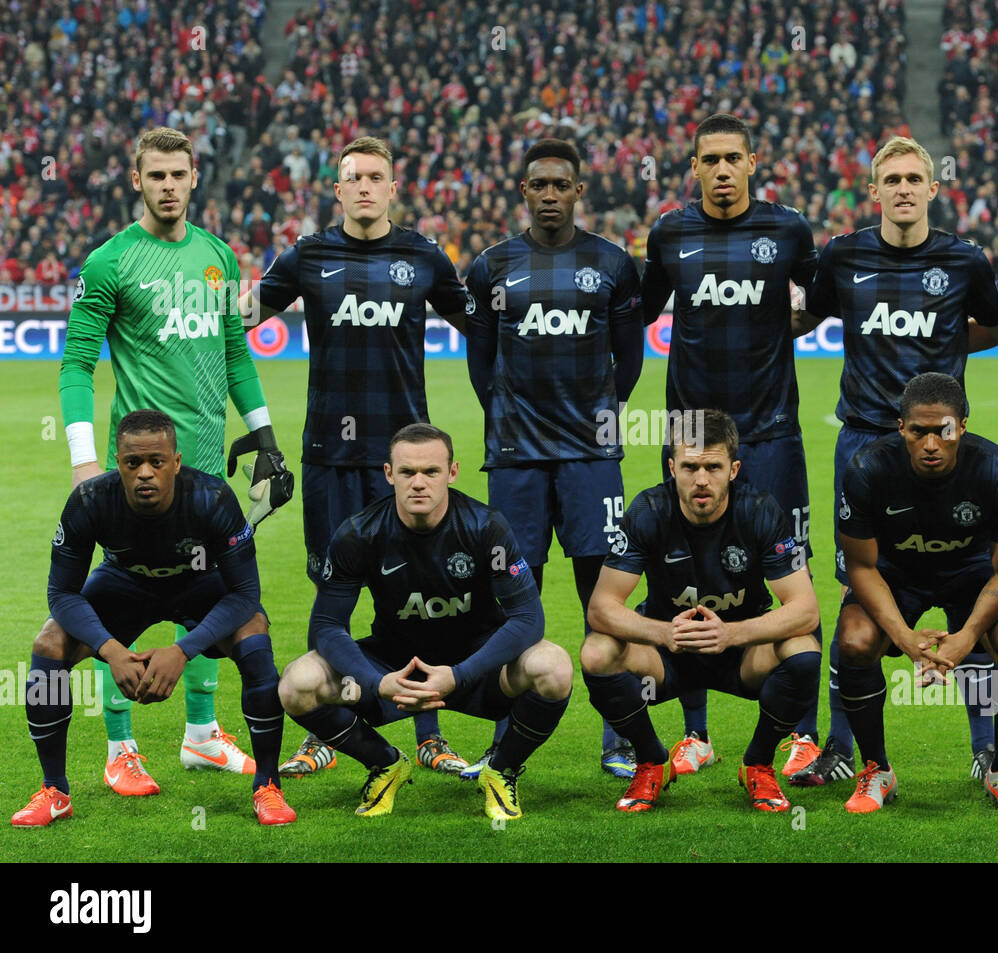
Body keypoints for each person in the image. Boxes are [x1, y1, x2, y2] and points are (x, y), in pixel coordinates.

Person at [797, 135, 998, 786]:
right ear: (873, 192)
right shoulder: (843, 255)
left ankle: (987, 750)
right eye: (891, 179)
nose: (903, 188)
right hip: (866, 446)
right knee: (859, 594)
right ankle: (842, 748)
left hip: (944, 449)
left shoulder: (963, 261)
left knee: (974, 591)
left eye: (915, 178)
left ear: (934, 190)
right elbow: (805, 316)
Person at [59, 127, 293, 796]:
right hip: (135, 474)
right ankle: (121, 747)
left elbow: (235, 357)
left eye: (178, 174)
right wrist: (82, 464)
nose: (168, 185)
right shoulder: (110, 262)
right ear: (137, 180)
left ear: (195, 179)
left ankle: (199, 736)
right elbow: (77, 363)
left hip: (207, 468)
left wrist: (266, 436)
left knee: (210, 592)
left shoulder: (218, 256)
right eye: (155, 174)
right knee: (119, 598)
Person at [242, 136, 471, 777]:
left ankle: (429, 733)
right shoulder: (308, 255)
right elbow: (244, 317)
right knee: (331, 591)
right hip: (329, 457)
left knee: (418, 595)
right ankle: (329, 731)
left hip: (406, 460)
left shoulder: (424, 255)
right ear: (336, 189)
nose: (365, 186)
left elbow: (481, 328)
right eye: (353, 177)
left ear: (393, 187)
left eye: (376, 176)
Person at [640, 113, 823, 779]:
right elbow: (639, 309)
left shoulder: (788, 228)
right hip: (692, 436)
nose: (721, 170)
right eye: (708, 159)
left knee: (793, 575)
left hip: (772, 431)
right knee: (689, 579)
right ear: (694, 167)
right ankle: (696, 733)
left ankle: (803, 734)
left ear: (754, 161)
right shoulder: (670, 233)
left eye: (732, 158)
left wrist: (785, 323)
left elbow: (822, 298)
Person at [276, 424, 573, 821]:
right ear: (388, 474)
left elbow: (528, 619)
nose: (419, 483)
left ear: (452, 472)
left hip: (477, 670)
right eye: (407, 472)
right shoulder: (358, 534)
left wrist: (459, 674)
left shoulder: (486, 527)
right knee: (297, 683)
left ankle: (500, 770)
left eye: (431, 472)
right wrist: (375, 680)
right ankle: (385, 763)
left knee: (553, 667)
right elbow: (327, 626)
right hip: (395, 672)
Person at [12, 411, 295, 827]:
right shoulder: (90, 500)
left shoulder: (211, 498)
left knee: (253, 630)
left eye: (157, 462)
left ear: (176, 463)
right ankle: (54, 790)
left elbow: (245, 594)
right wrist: (112, 650)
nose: (145, 473)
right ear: (118, 462)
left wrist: (183, 650)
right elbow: (62, 593)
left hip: (200, 585)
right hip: (123, 587)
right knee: (48, 645)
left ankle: (267, 787)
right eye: (133, 463)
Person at [464, 138, 644, 779]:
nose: (548, 195)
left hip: (592, 459)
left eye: (559, 185)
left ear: (577, 192)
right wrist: (510, 416)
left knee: (607, 600)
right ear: (523, 191)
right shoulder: (490, 266)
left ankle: (619, 739)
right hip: (514, 459)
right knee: (512, 603)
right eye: (537, 184)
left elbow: (631, 360)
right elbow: (479, 363)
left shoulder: (613, 263)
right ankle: (503, 746)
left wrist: (591, 417)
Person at [582, 410, 821, 812]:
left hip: (741, 655)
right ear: (673, 467)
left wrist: (732, 634)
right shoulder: (648, 511)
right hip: (669, 654)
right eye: (690, 467)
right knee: (597, 652)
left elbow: (806, 609)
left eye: (713, 466)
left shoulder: (761, 511)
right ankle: (651, 761)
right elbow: (601, 608)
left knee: (802, 649)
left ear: (734, 469)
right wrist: (663, 634)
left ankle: (759, 764)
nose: (701, 479)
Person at [836, 373, 998, 814]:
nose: (931, 443)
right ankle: (876, 769)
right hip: (895, 575)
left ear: (962, 426)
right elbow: (862, 567)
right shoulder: (866, 470)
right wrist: (904, 638)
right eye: (918, 432)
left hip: (972, 575)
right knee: (852, 641)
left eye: (943, 430)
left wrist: (967, 636)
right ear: (900, 428)